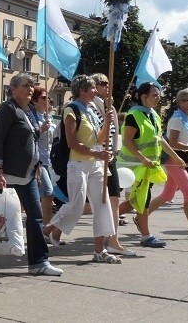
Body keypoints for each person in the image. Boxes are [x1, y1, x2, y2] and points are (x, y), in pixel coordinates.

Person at [0, 73, 62, 275]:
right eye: (26, 85)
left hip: (27, 174)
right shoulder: (8, 109)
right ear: (14, 89)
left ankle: (38, 263)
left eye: (32, 86)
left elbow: (32, 141)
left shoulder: (31, 111)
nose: (30, 89)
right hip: (6, 174)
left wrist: (38, 166)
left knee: (35, 217)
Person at [42, 75, 120, 264]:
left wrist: (108, 124)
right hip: (78, 164)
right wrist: (96, 153)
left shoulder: (91, 110)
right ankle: (46, 230)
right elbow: (71, 142)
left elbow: (99, 139)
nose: (96, 91)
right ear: (82, 90)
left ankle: (100, 250)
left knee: (102, 204)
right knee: (76, 206)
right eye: (92, 88)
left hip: (96, 165)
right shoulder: (71, 109)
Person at [117, 82, 185, 248]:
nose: (158, 97)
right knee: (142, 200)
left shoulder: (153, 114)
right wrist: (141, 158)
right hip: (133, 166)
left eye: (158, 94)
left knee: (137, 201)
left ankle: (106, 218)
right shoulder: (134, 115)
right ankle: (146, 235)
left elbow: (160, 139)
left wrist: (176, 157)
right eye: (155, 94)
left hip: (147, 166)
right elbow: (127, 140)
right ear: (143, 97)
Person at [147, 88, 188, 241]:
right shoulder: (177, 118)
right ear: (181, 102)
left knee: (167, 194)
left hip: (182, 159)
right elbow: (172, 142)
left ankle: (141, 217)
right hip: (174, 159)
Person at [89, 73, 134, 255]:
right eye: (102, 83)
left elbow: (115, 136)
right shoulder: (91, 107)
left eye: (108, 83)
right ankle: (53, 229)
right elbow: (94, 135)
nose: (107, 86)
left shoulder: (111, 108)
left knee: (115, 200)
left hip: (111, 159)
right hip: (96, 159)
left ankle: (113, 241)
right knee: (80, 205)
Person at [29, 87, 56, 229]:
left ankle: (42, 227)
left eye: (49, 98)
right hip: (38, 161)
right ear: (34, 101)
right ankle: (44, 228)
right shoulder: (32, 117)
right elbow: (29, 138)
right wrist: (41, 129)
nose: (48, 101)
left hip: (49, 161)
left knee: (45, 196)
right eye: (44, 98)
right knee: (48, 194)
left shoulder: (49, 117)